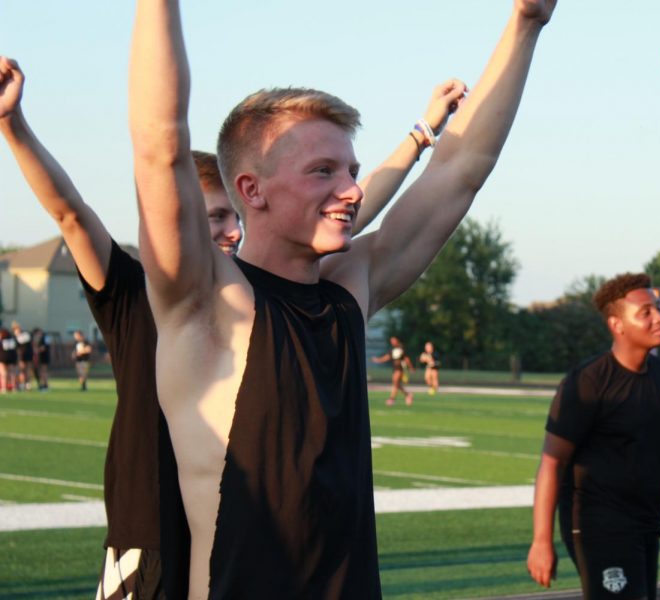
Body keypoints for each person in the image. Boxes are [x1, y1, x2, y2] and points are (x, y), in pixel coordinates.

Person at [128, 0, 555, 595]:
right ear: (251, 190)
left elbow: (461, 169)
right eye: (323, 171)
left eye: (351, 169)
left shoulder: (352, 289)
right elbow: (160, 145)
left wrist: (527, 22)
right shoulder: (206, 302)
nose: (352, 190)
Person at [0, 52, 465, 599]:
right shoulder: (133, 289)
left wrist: (421, 133)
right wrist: (13, 124)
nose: (225, 229)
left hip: (230, 535)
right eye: (210, 216)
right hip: (148, 532)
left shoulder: (250, 296)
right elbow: (72, 213)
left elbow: (348, 212)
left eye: (230, 216)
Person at [526, 273, 660, 599]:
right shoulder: (588, 382)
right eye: (646, 312)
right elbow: (553, 462)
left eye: (659, 309)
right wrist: (541, 541)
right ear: (617, 325)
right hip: (599, 524)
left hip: (647, 522)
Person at [373, 336, 415, 405]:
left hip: (400, 369)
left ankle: (392, 399)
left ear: (397, 340)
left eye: (393, 340)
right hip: (395, 369)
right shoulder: (393, 349)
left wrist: (411, 367)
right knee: (397, 384)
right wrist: (379, 360)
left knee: (395, 383)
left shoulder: (401, 348)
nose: (392, 342)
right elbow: (387, 357)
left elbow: (406, 359)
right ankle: (408, 394)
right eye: (391, 341)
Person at [11, 321, 34, 391]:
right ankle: (22, 384)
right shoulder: (15, 337)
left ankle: (27, 384)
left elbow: (28, 344)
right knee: (21, 370)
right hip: (21, 356)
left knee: (27, 370)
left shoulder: (25, 335)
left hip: (28, 354)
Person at [31, 327, 50, 391]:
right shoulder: (34, 339)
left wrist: (37, 350)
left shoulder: (45, 338)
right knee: (37, 371)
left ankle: (45, 385)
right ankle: (40, 384)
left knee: (43, 371)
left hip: (43, 356)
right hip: (37, 357)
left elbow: (44, 347)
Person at [0, 327, 15, 393]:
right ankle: (14, 387)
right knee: (11, 373)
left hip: (2, 358)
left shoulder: (1, 340)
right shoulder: (11, 340)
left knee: (3, 374)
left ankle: (4, 388)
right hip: (11, 358)